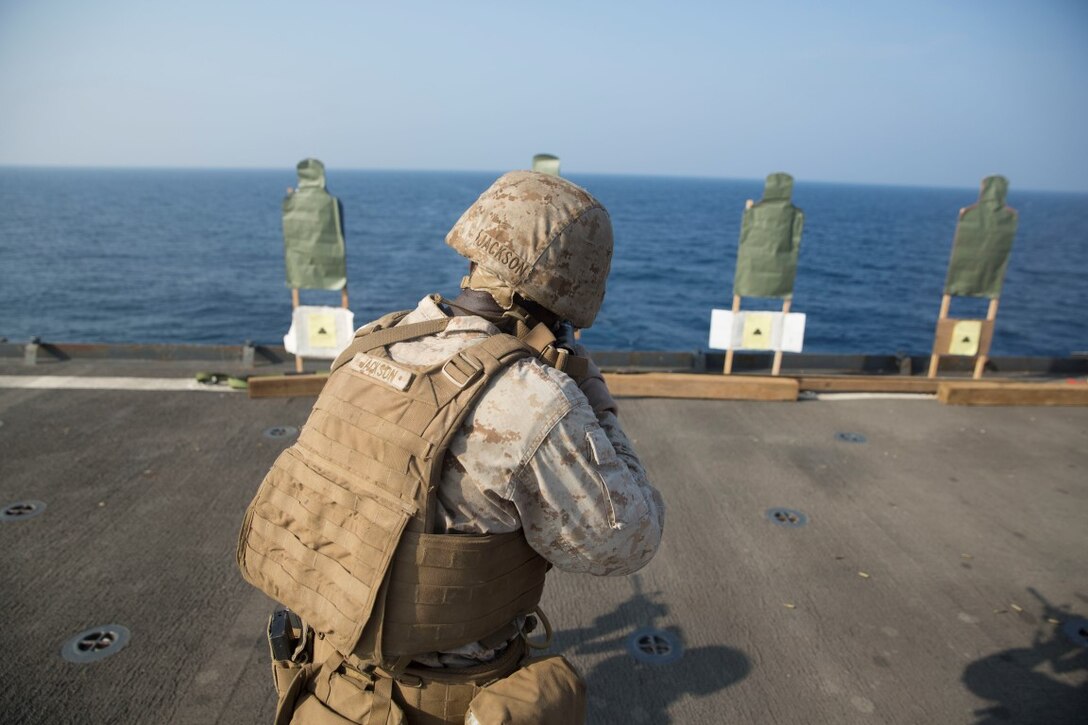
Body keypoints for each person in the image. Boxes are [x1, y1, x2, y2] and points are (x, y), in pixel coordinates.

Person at [238, 170, 665, 724]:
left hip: (322, 685)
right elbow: (628, 542)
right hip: (439, 708)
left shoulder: (373, 340)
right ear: (576, 287)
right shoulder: (536, 399)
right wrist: (595, 400)